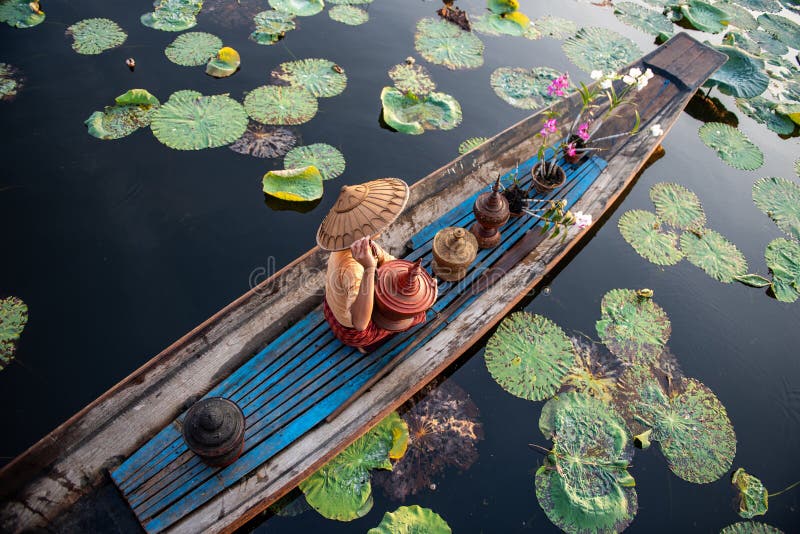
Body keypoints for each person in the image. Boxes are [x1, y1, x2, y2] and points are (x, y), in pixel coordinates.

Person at [317, 179, 426, 351]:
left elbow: (388, 261)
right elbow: (360, 323)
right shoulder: (353, 267)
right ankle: (369, 345)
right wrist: (369, 268)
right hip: (352, 330)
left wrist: (411, 274)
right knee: (418, 315)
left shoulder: (353, 243)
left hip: (332, 308)